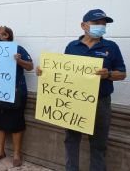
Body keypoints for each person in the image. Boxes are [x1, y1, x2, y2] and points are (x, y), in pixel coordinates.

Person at [36, 9, 126, 171]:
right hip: (73, 102)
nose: (101, 26)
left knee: (98, 143)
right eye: (96, 23)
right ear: (84, 25)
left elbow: (123, 74)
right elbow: (63, 73)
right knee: (71, 140)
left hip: (100, 103)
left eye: (104, 24)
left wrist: (109, 74)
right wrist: (45, 73)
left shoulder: (111, 47)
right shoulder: (72, 46)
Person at [0, 26, 33, 167]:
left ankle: (16, 155)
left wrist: (18, 61)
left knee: (16, 124)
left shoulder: (18, 49)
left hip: (16, 92)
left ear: (6, 35)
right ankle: (0, 151)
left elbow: (30, 66)